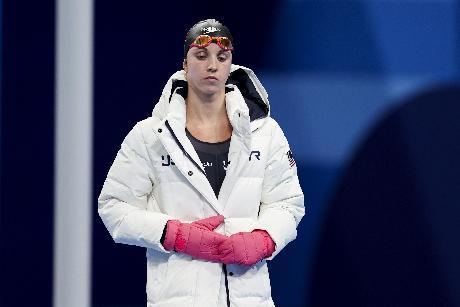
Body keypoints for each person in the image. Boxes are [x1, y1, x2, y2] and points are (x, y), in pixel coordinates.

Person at [98, 19, 305, 307]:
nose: (212, 65)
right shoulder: (149, 136)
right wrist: (174, 234)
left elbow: (287, 203)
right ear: (185, 63)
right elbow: (114, 206)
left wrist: (263, 238)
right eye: (201, 55)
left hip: (249, 297)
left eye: (222, 57)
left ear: (231, 64)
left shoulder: (265, 133)